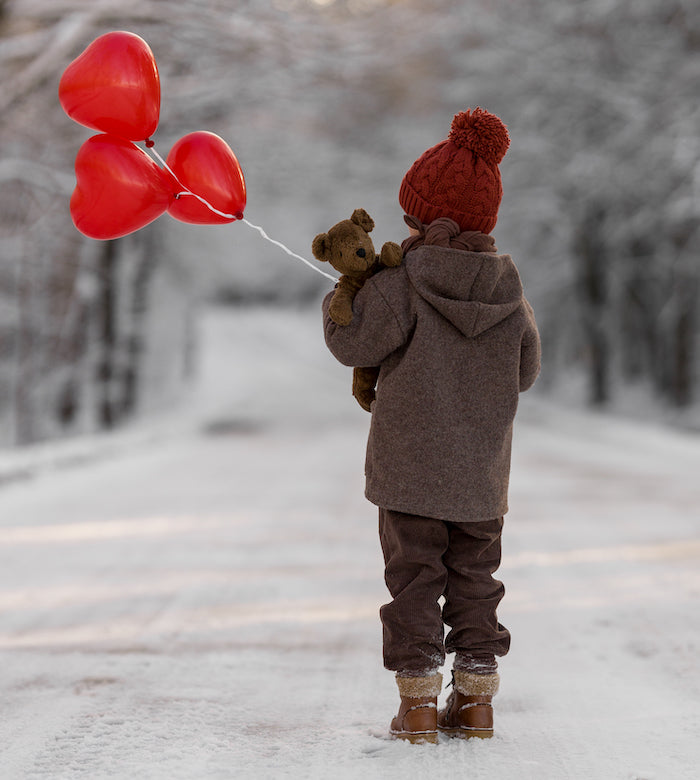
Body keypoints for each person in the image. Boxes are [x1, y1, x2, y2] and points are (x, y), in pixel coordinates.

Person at [321, 108, 541, 744]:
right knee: (476, 578)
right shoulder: (510, 291)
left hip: (410, 468)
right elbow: (526, 369)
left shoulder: (400, 283)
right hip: (480, 472)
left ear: (418, 216)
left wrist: (343, 295)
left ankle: (417, 706)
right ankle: (475, 702)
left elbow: (353, 346)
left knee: (415, 578)